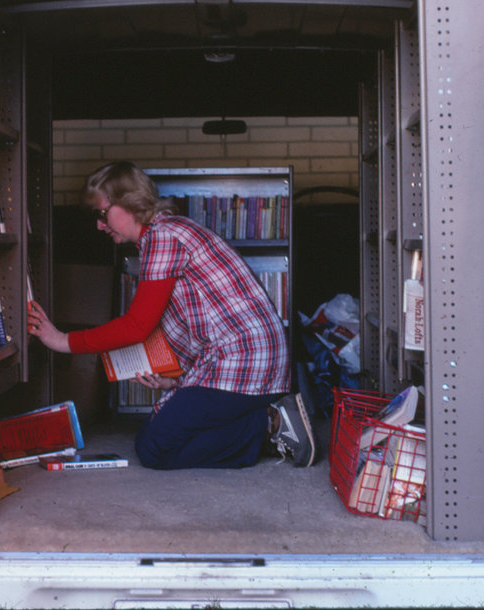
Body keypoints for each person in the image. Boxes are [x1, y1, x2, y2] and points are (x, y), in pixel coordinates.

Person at [27, 161, 316, 469]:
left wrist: (62, 341)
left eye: (102, 213)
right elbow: (198, 323)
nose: (99, 224)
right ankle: (262, 421)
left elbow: (137, 327)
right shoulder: (164, 233)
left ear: (130, 203)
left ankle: (268, 425)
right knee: (150, 438)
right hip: (239, 359)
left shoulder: (163, 237)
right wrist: (174, 382)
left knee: (156, 448)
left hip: (245, 362)